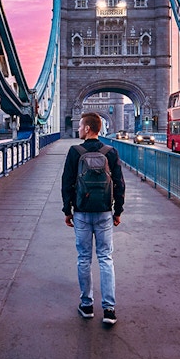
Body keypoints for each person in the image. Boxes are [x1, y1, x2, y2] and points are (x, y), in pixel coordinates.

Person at [62, 112, 125, 324]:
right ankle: (109, 310)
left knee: (84, 258)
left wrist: (67, 210)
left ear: (88, 128)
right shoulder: (110, 152)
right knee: (106, 258)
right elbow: (119, 184)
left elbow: (66, 184)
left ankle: (87, 305)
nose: (78, 129)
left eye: (80, 126)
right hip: (105, 212)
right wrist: (118, 212)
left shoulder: (74, 152)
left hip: (81, 212)